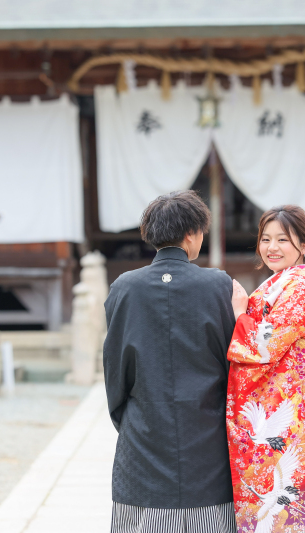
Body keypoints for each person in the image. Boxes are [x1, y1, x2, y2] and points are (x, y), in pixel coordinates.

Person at [103, 190, 237, 533]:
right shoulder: (217, 285)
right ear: (192, 233)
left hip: (144, 426)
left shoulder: (124, 287)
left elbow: (115, 367)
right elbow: (233, 359)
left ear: (152, 234)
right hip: (206, 427)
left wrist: (128, 416)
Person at [226, 205, 305, 533]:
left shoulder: (298, 285)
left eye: (283, 239)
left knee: (295, 492)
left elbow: (262, 347)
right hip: (293, 412)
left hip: (294, 415)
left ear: (303, 245)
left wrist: (241, 313)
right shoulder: (280, 286)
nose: (271, 247)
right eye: (265, 239)